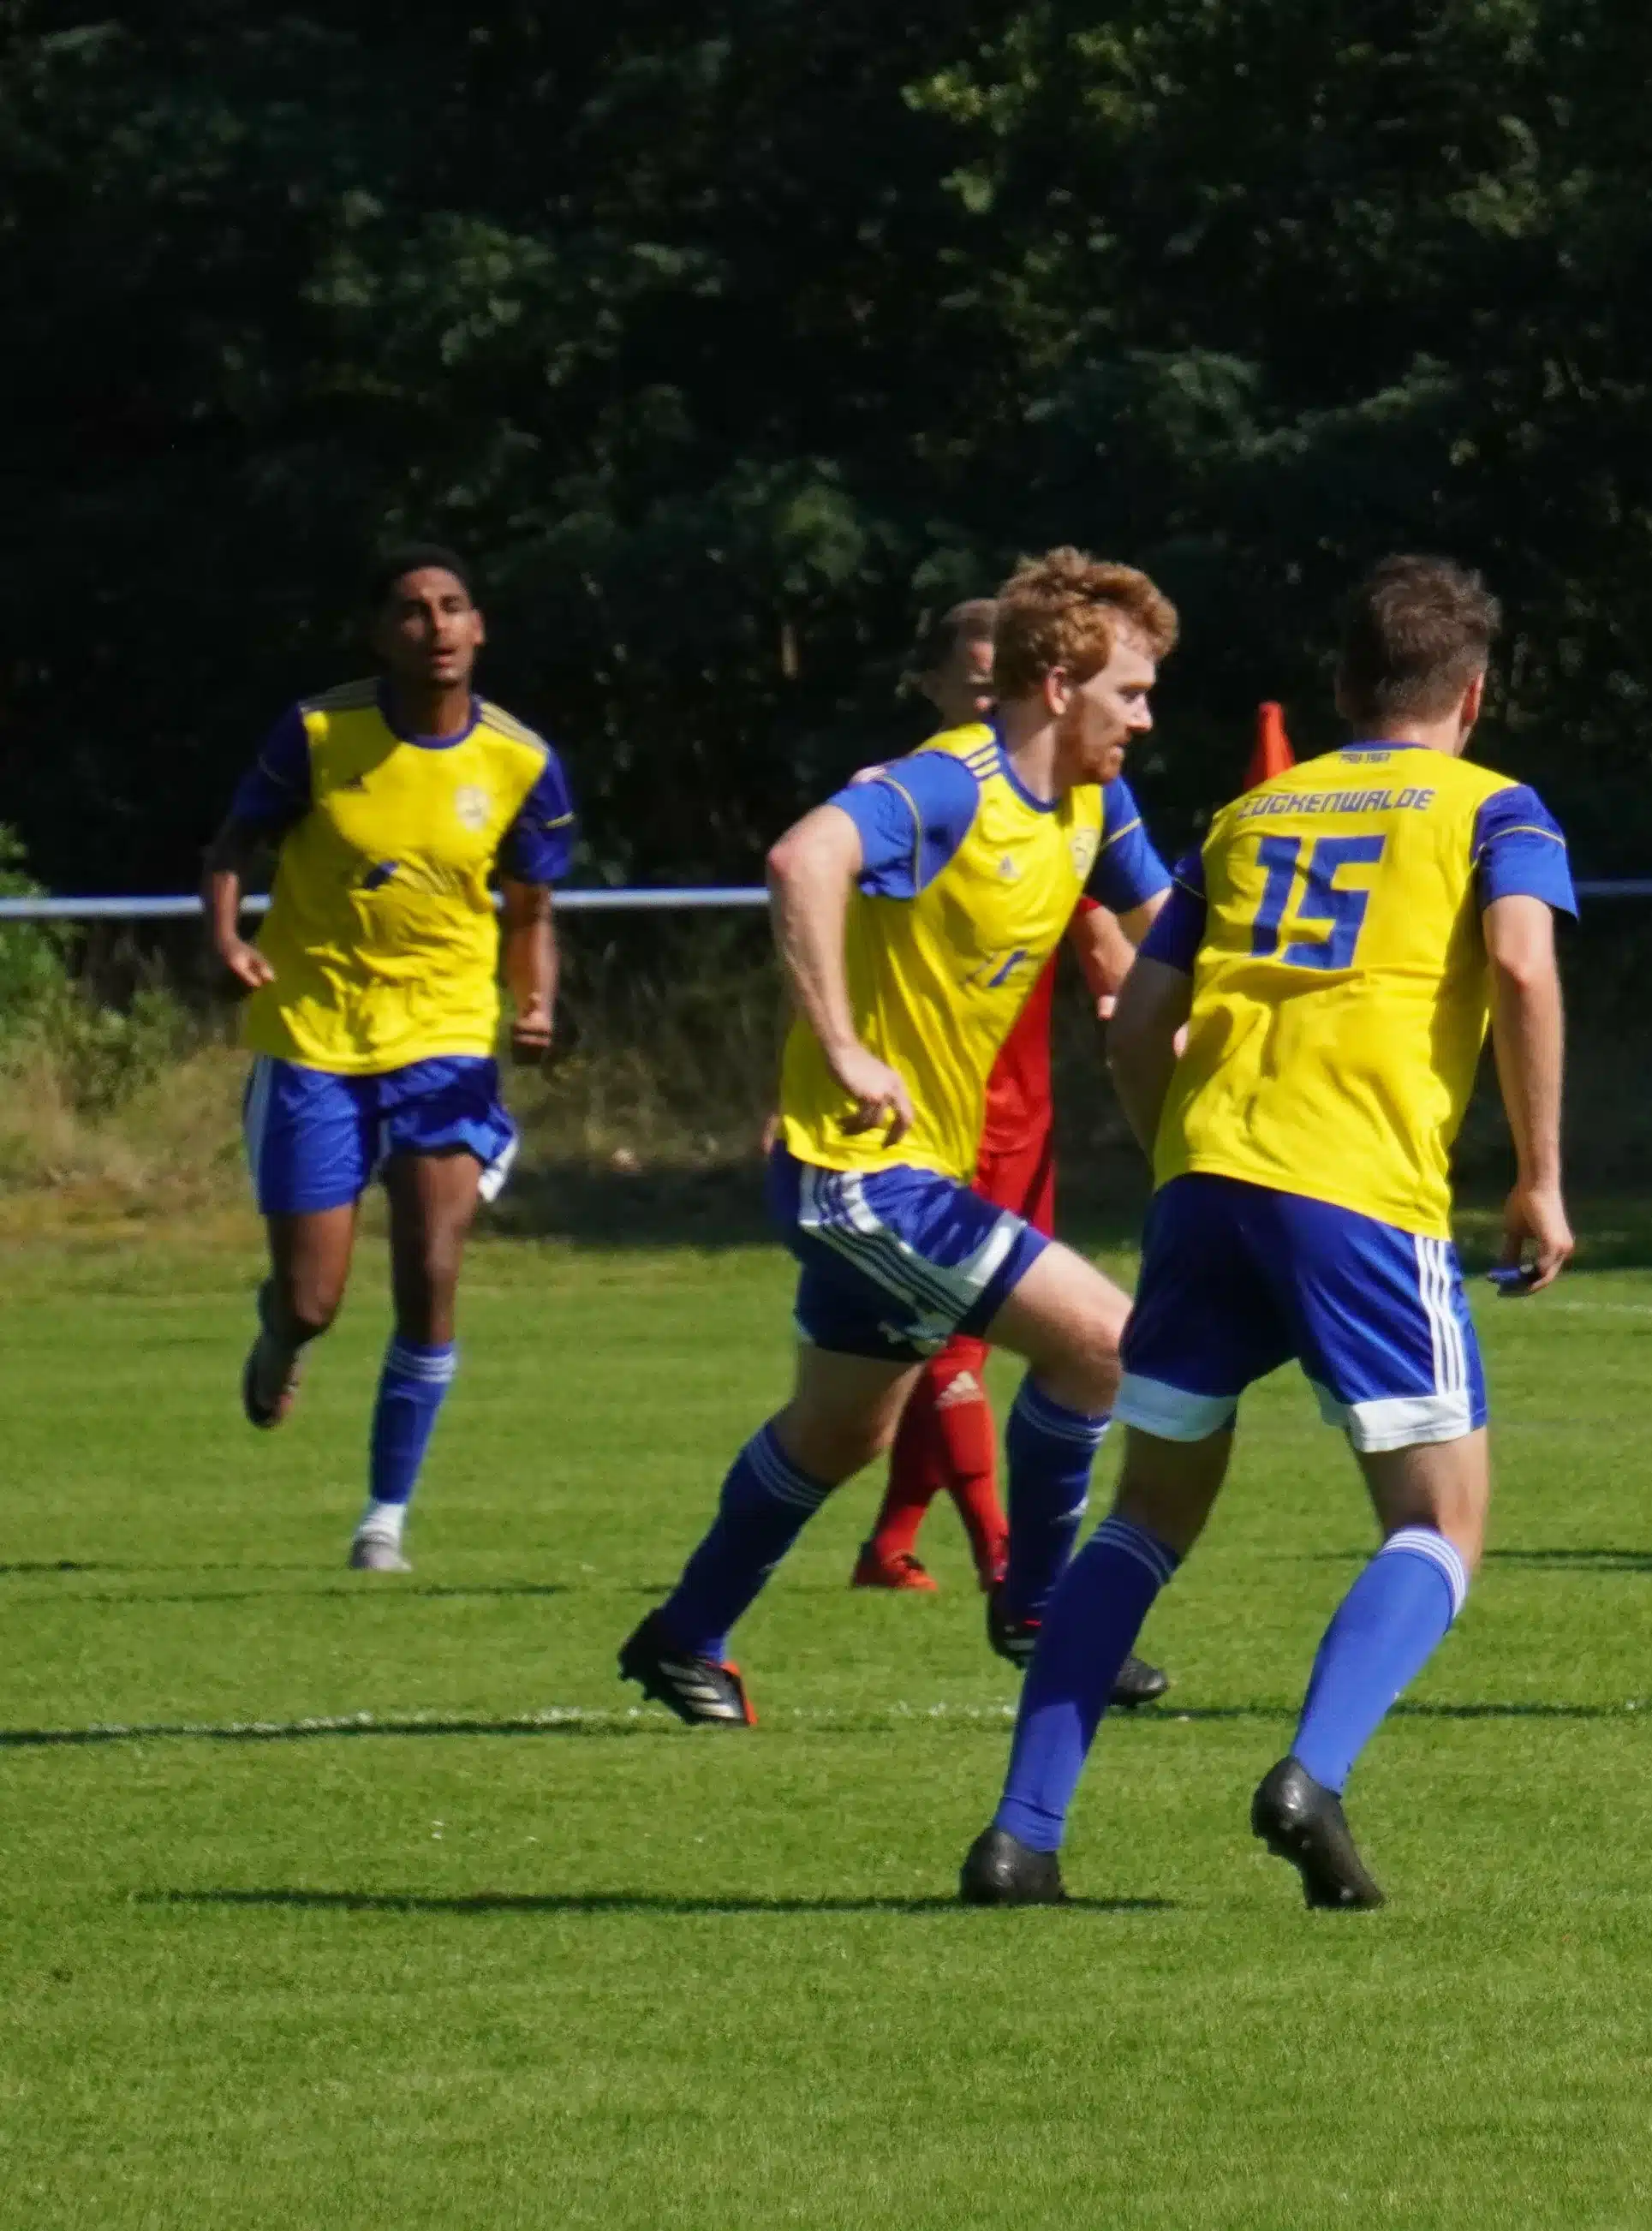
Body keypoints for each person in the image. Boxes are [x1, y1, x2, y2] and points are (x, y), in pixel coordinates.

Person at [959, 555, 1574, 1908]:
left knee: (1147, 1518)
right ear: (1470, 698)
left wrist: (1169, 1147)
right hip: (1355, 1192)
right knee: (1440, 1522)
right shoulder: (1496, 807)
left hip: (1205, 1184)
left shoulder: (1246, 816)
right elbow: (1522, 963)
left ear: (1347, 688)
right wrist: (1538, 1177)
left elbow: (1131, 1017)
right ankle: (1312, 1772)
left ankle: (1021, 1835)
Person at [618, 550, 1178, 1726]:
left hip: (919, 1172)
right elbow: (799, 856)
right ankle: (1041, 1615)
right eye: (1130, 689)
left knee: (838, 1434)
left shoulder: (1094, 800)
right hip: (858, 1174)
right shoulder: (948, 785)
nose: (1146, 713)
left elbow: (1169, 932)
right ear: (1063, 682)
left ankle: (682, 1637)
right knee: (1104, 1344)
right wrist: (837, 1041)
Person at [202, 546, 574, 1573]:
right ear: (381, 636)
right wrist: (230, 941)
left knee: (432, 1270)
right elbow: (233, 847)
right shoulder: (320, 733)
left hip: (445, 1037)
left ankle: (385, 1518)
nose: (437, 627)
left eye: (454, 606)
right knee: (315, 1297)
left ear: (480, 627)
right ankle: (280, 1336)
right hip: (314, 1034)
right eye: (412, 612)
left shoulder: (520, 761)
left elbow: (531, 908)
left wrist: (534, 999)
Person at [848, 599, 1145, 1597]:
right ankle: (1009, 1566)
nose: (992, 695)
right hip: (922, 1126)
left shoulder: (1066, 808)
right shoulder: (916, 800)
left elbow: (1118, 925)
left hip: (1023, 1114)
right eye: (973, 682)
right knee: (951, 1350)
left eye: (1002, 677)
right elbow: (825, 909)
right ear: (930, 688)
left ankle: (890, 1540)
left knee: (887, 1385)